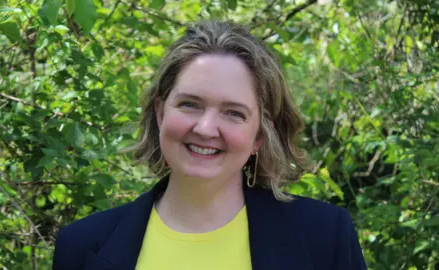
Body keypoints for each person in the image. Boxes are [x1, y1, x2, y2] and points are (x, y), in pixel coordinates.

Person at [52, 20, 368, 270]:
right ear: (161, 113)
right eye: (190, 104)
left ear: (260, 135)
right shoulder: (82, 245)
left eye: (233, 113)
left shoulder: (324, 236)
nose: (205, 128)